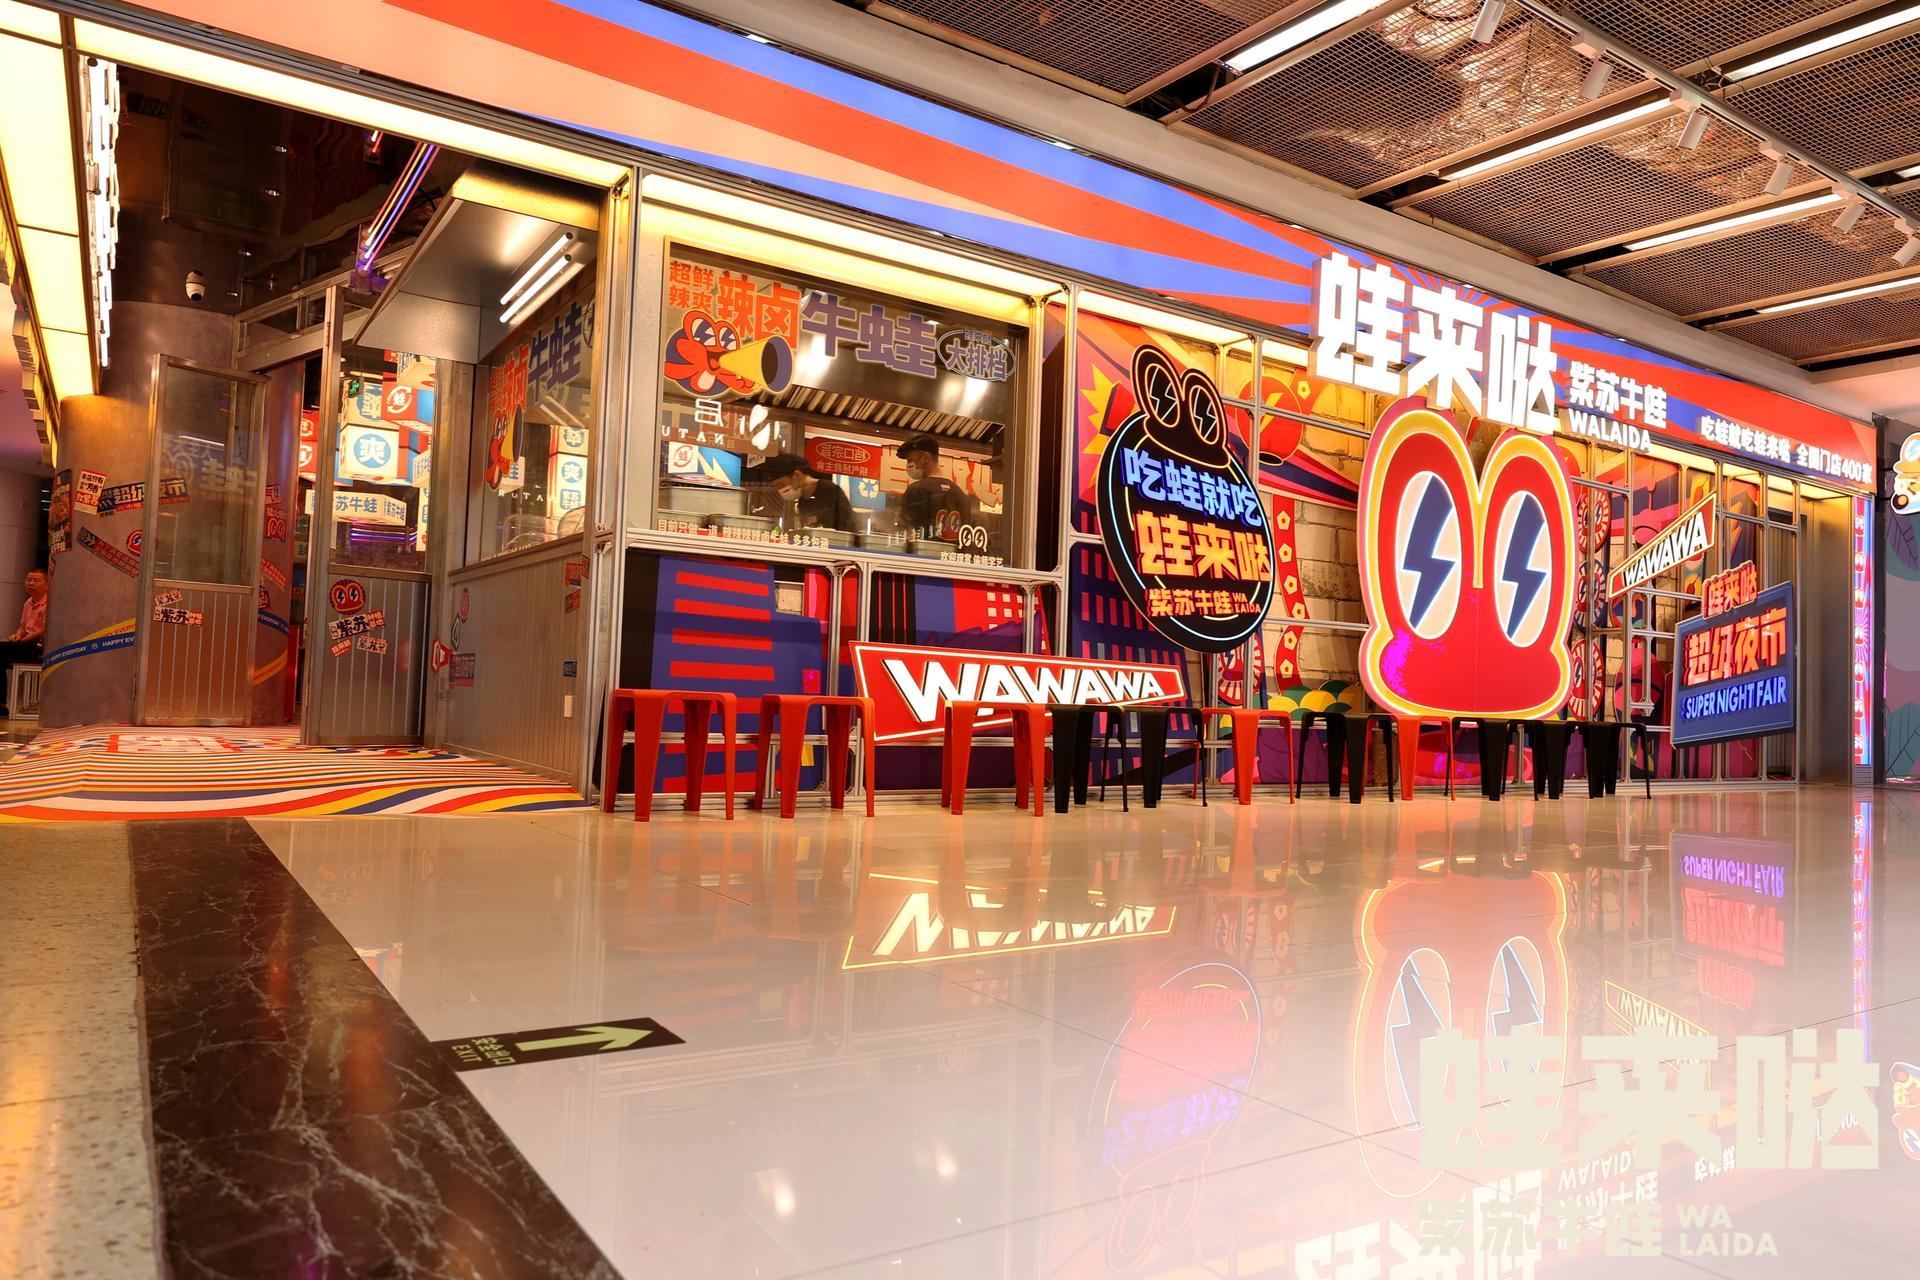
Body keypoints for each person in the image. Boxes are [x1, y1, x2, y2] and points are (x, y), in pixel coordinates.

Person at [895, 433, 975, 541]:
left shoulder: (916, 490)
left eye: (910, 460)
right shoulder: (961, 495)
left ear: (925, 457)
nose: (908, 465)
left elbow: (907, 534)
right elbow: (966, 538)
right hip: (954, 552)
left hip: (924, 550)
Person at [752, 453, 854, 532]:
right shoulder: (802, 501)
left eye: (781, 484)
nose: (781, 491)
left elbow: (846, 528)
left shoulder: (829, 490)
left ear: (796, 475)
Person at [0, 568, 48, 715]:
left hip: (40, 646)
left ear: (47, 584)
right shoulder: (28, 602)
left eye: (36, 580)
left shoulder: (50, 602)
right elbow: (22, 626)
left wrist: (24, 639)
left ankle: (1, 704)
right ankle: (1, 704)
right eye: (29, 580)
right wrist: (17, 635)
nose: (31, 583)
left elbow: (45, 629)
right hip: (26, 643)